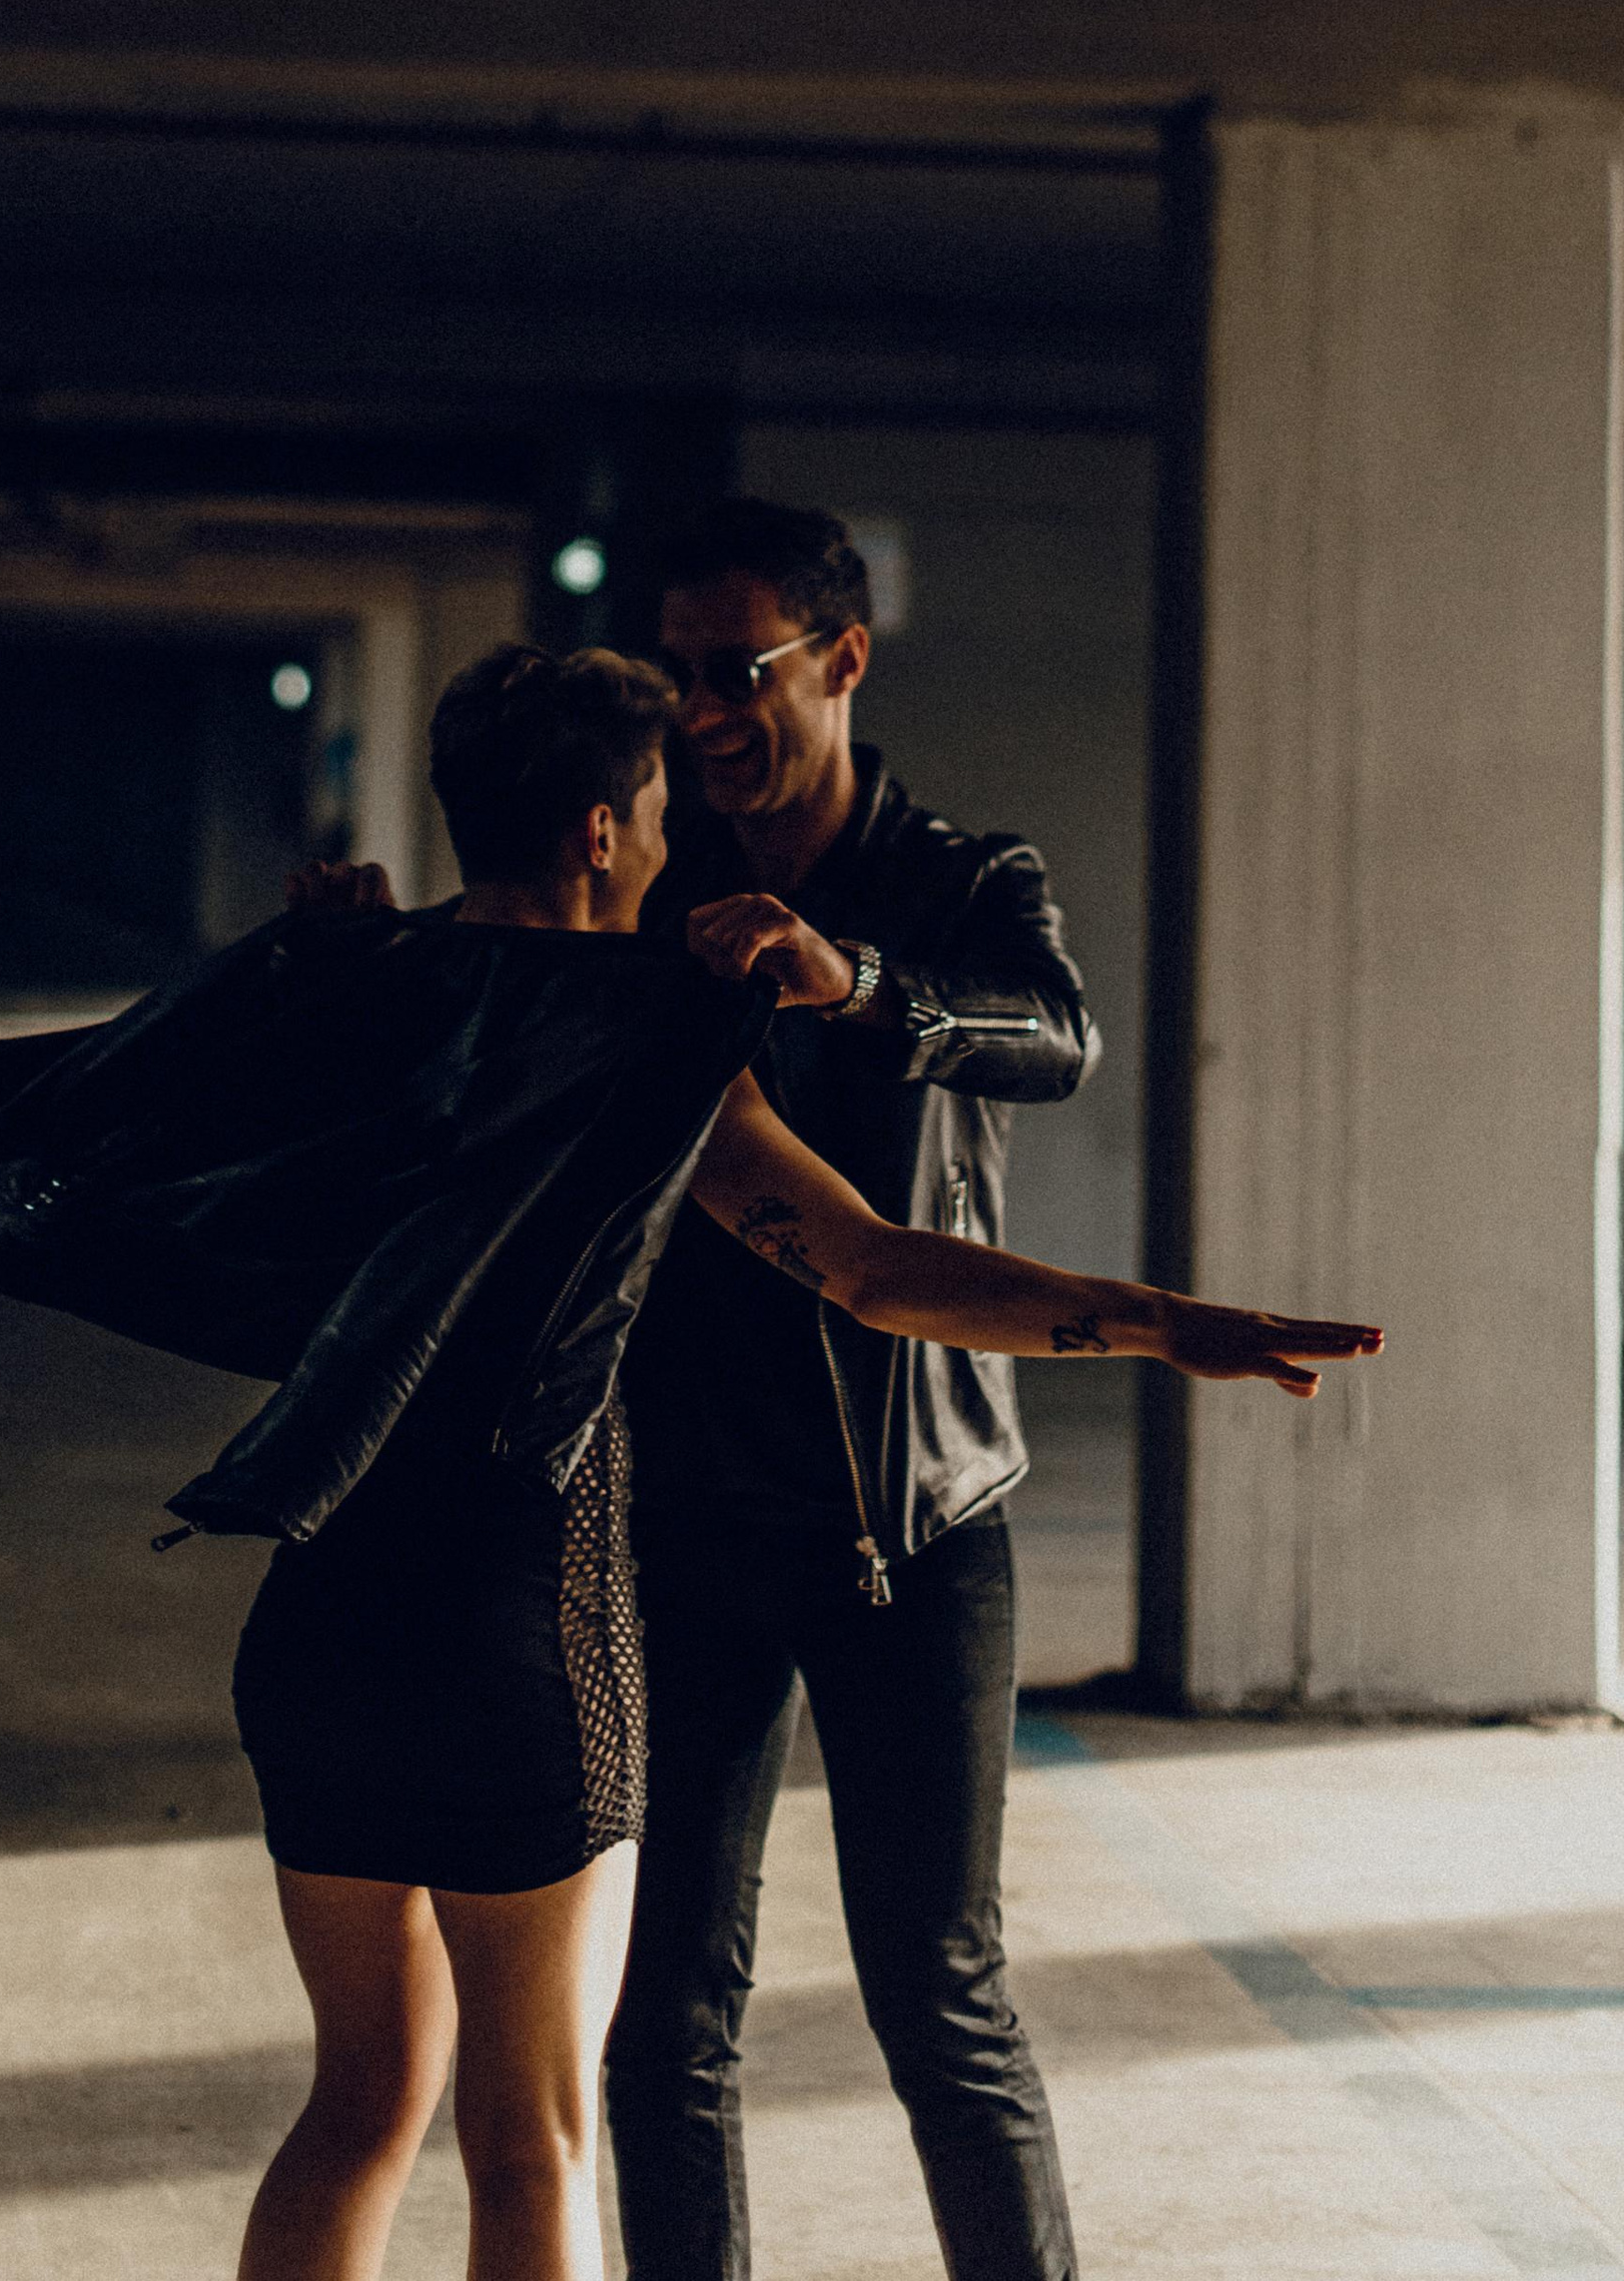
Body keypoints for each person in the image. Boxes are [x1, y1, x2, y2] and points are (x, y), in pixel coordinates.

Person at [0, 642, 1377, 2281]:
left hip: (315, 1619)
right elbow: (870, 1267)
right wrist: (1160, 1321)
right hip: (522, 1634)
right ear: (611, 827)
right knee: (534, 2135)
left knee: (358, 2099)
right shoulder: (647, 1026)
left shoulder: (345, 989)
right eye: (663, 822)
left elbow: (47, 1086)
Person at [607, 496, 1107, 2281]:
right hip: (685, 1517)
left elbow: (1056, 1035)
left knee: (941, 2002)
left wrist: (864, 988)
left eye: (736, 670)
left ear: (843, 657)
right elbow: (509, 971)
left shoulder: (966, 880)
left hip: (922, 1520)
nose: (705, 712)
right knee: (664, 2012)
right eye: (678, 677)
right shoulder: (650, 886)